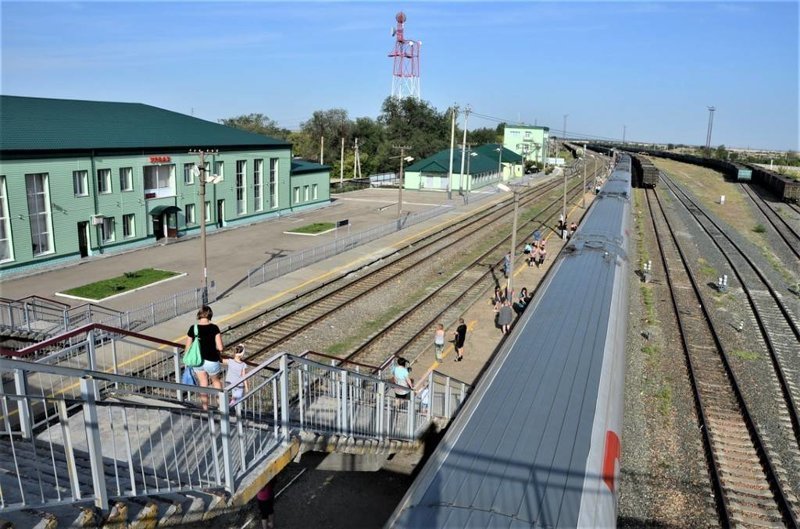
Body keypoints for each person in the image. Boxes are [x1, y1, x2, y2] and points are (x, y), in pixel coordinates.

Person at [185, 305, 224, 410]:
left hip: (198, 361)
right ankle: (221, 406)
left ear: (199, 315)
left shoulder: (193, 328)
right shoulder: (214, 328)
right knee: (216, 382)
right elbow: (220, 347)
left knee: (203, 383)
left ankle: (205, 408)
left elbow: (187, 347)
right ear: (210, 315)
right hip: (211, 360)